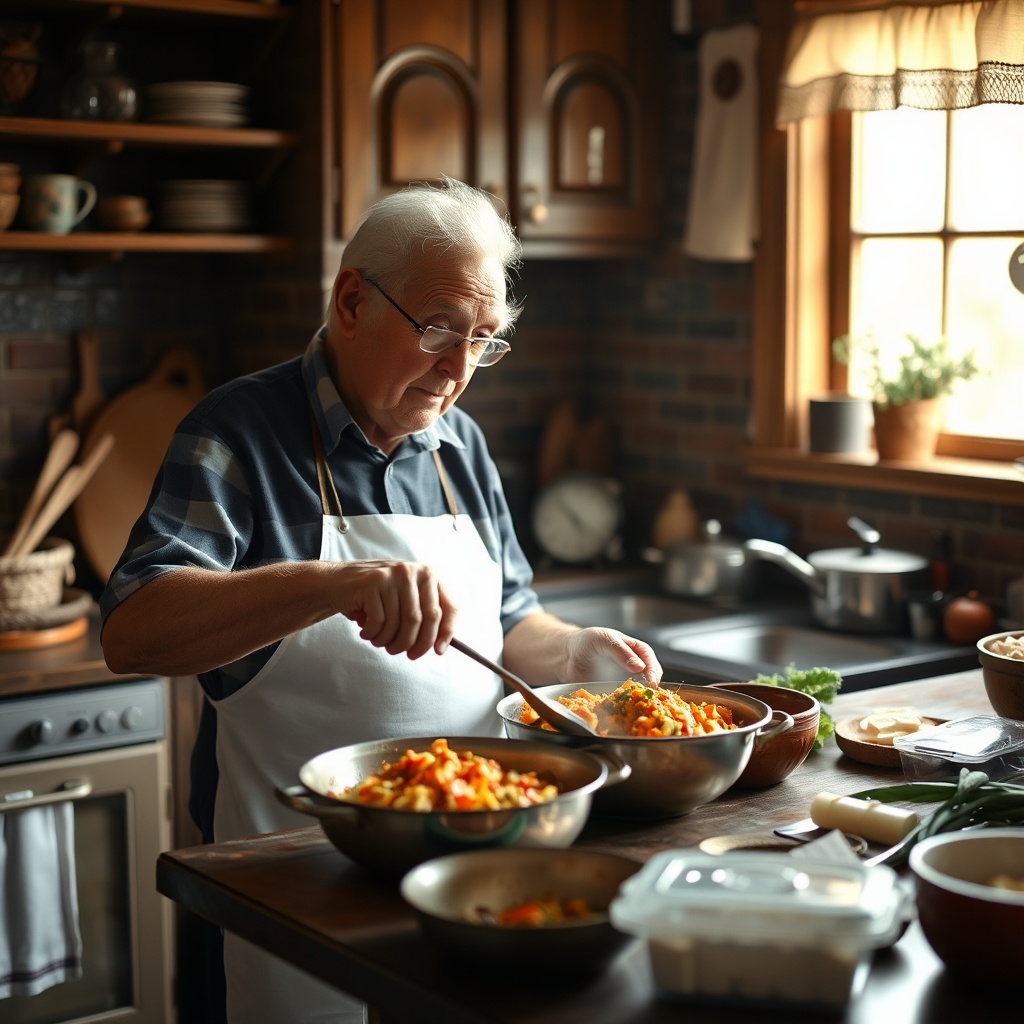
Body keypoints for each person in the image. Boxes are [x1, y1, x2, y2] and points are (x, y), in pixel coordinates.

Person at [100, 177, 662, 1024]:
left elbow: (513, 621)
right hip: (297, 892)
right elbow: (133, 630)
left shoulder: (461, 446)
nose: (459, 368)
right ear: (353, 301)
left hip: (476, 872)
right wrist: (334, 583)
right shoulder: (239, 434)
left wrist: (577, 653)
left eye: (484, 340)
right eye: (439, 328)